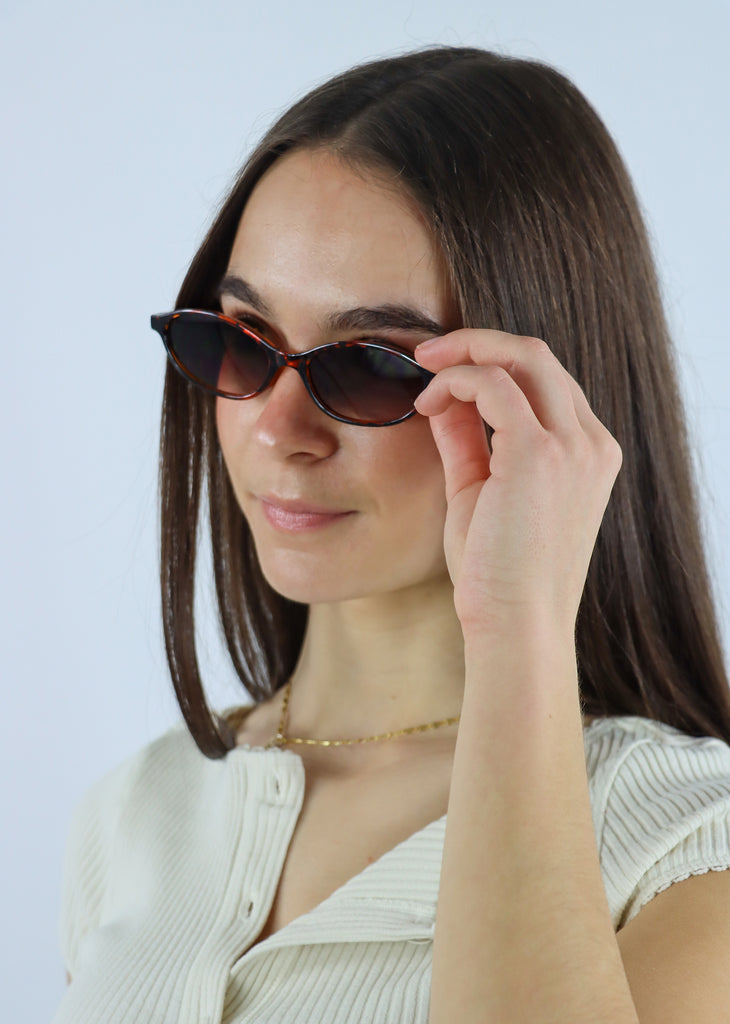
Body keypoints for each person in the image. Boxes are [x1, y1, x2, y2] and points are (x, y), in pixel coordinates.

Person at [54, 46, 730, 1023]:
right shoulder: (135, 814)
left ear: (542, 404)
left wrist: (517, 628)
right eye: (242, 341)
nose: (279, 431)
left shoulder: (684, 844)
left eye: (369, 367)